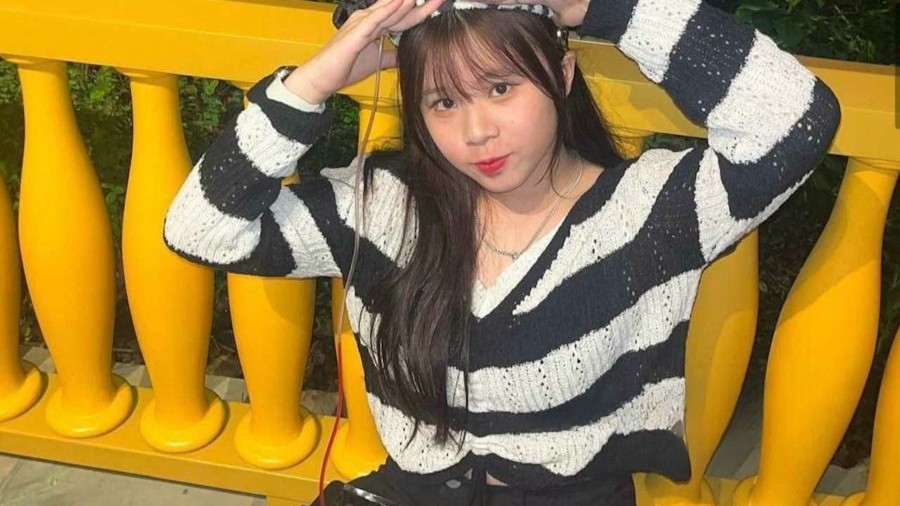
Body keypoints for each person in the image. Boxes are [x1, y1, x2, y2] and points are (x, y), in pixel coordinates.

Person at [162, 0, 841, 503]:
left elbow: (796, 121)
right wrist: (313, 83)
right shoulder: (382, 207)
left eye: (500, 87)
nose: (477, 131)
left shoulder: (646, 214)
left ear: (562, 74)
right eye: (443, 102)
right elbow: (200, 229)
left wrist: (593, 6)